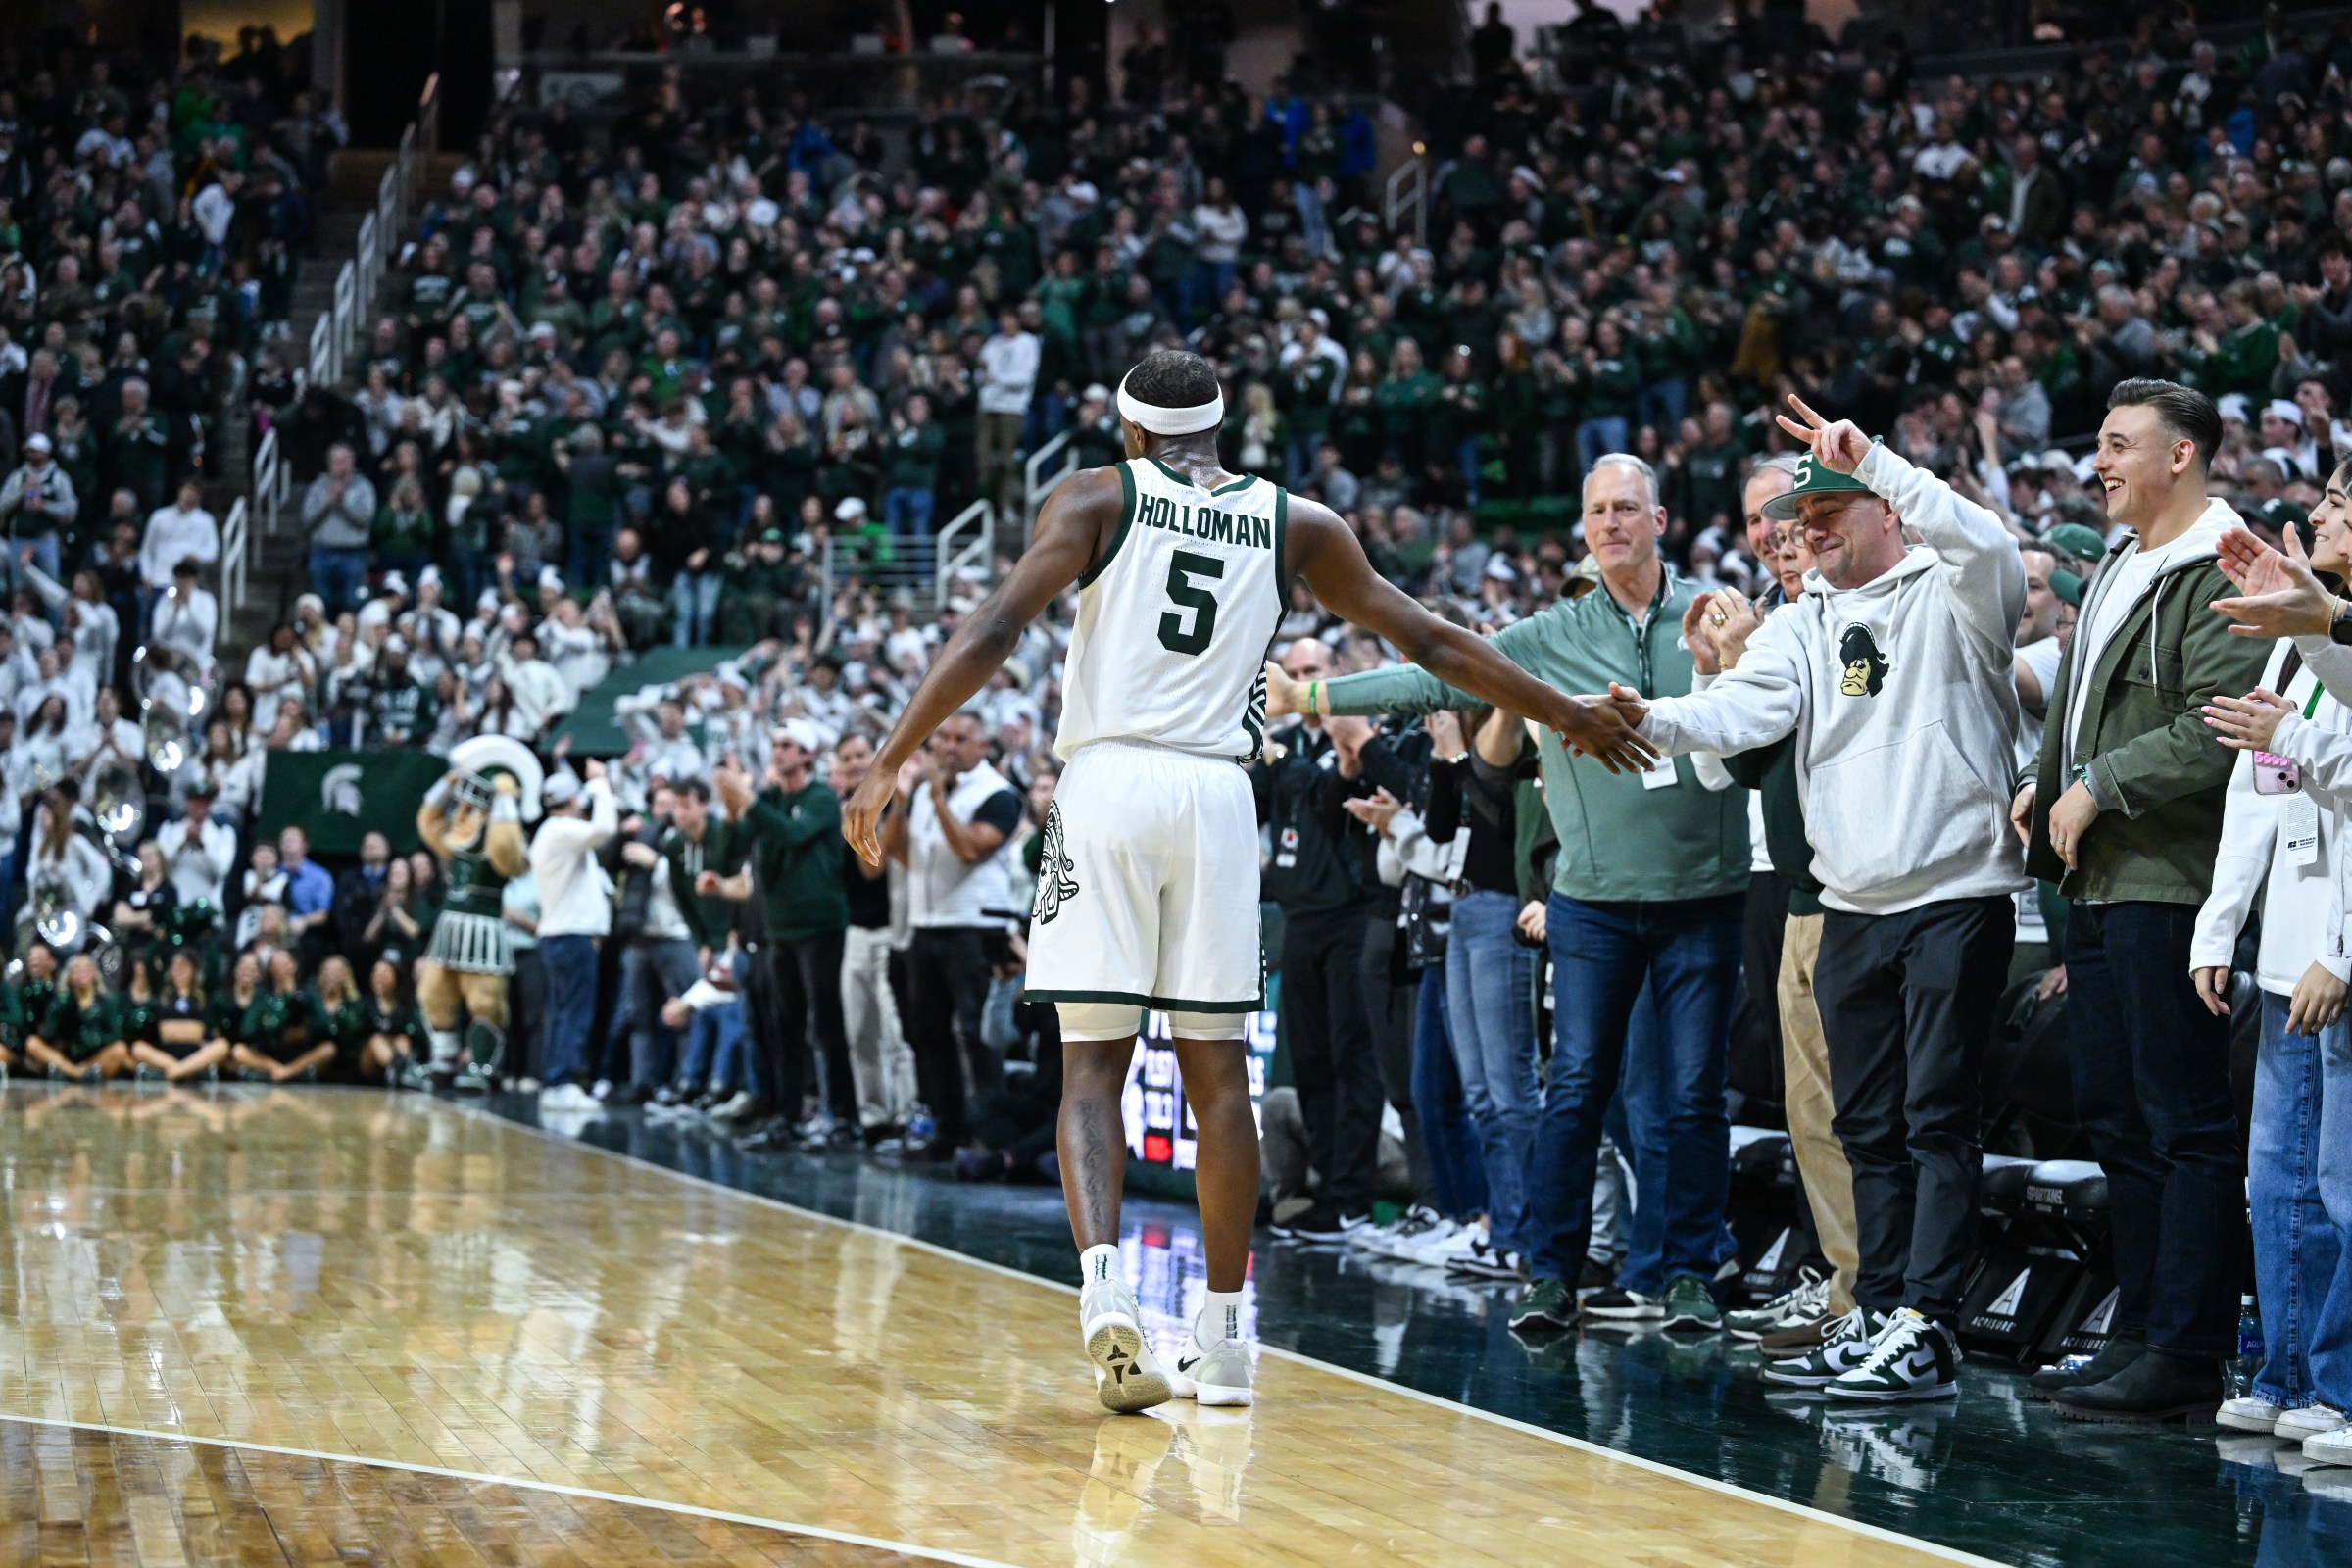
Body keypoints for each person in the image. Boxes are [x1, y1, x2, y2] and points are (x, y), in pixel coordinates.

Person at [840, 349, 1649, 1415]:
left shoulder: (1092, 494)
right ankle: (1223, 1339)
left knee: (1093, 1064)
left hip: (1111, 780)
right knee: (1219, 1073)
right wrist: (1567, 712)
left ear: (1130, 432)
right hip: (1221, 797)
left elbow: (997, 626)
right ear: (1222, 429)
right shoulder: (1298, 521)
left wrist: (895, 754)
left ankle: (1103, 1291)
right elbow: (1431, 638)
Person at [1617, 393, 2031, 1402]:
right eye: (1803, 520)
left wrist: (1879, 460)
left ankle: (1933, 1324)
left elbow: (1991, 548)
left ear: (1886, 509)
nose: (1810, 531)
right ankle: (1881, 1308)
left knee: (1937, 1118)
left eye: (1830, 511)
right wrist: (1650, 720)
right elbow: (1741, 706)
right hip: (1850, 904)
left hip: (1955, 891)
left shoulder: (1952, 590)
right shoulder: (1803, 623)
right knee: (1868, 1123)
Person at [1277, 451, 1745, 1337]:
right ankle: (1551, 1272)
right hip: (1593, 900)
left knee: (1692, 1096)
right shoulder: (1549, 633)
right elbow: (1428, 677)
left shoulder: (1718, 616)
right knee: (1573, 1091)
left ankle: (1690, 1271)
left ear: (1660, 519)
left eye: (1627, 508)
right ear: (1583, 529)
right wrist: (1313, 693)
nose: (1611, 523)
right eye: (1597, 510)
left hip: (1705, 894)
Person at [2014, 380, 2272, 1422]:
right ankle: (2136, 1330)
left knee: (2185, 1120)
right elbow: (2076, 704)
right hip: (2098, 877)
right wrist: (2045, 779)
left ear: (2183, 455)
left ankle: (2189, 1348)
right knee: (2117, 1115)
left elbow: (2224, 722)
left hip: (2170, 876)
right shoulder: (2124, 559)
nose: (2100, 463)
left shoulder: (2229, 561)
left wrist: (2096, 785)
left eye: (2120, 445)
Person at [2193, 457, 2352, 1446]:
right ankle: (2291, 1373)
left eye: (2341, 501)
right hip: (2288, 951)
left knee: (2340, 1188)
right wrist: (2221, 924)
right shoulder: (2302, 635)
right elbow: (2258, 791)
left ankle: (2337, 1386)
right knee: (2282, 1185)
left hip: (2335, 948)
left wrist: (2345, 943)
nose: (2321, 512)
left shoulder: (2324, 638)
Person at [531, 762, 619, 1112]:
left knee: (561, 1011)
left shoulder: (551, 833)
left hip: (561, 935)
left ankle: (554, 1081)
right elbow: (606, 827)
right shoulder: (562, 830)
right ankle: (561, 1080)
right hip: (570, 936)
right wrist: (600, 785)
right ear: (572, 800)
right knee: (574, 1013)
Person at [301, 443, 377, 616]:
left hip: (352, 552)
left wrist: (342, 504)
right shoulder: (318, 487)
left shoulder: (363, 487)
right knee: (322, 600)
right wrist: (328, 503)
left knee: (351, 601)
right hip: (322, 550)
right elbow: (307, 520)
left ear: (351, 463)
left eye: (343, 461)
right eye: (335, 461)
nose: (339, 465)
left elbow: (365, 520)